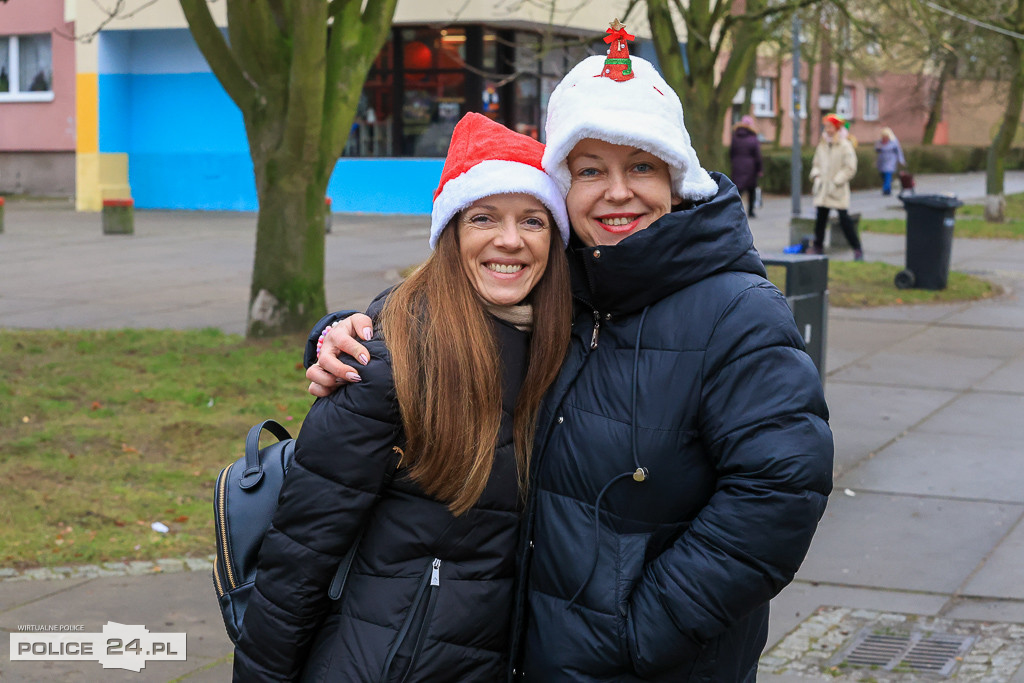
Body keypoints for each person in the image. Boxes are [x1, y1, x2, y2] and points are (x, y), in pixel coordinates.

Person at [311, 26, 833, 682]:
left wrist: (637, 634)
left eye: (640, 165)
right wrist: (343, 334)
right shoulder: (566, 288)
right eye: (591, 170)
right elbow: (444, 311)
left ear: (675, 177)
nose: (617, 192)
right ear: (565, 186)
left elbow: (779, 494)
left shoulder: (739, 312)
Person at [233, 112, 573, 681]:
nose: (509, 240)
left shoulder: (564, 346)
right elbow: (299, 556)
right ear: (452, 234)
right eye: (484, 217)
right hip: (390, 664)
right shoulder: (391, 361)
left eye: (533, 221)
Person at [810, 113, 863, 260]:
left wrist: (836, 181)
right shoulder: (822, 144)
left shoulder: (845, 145)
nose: (827, 129)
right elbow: (816, 163)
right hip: (823, 189)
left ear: (836, 128)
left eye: (830, 126)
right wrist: (816, 175)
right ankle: (817, 248)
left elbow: (850, 168)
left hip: (837, 190)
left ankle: (857, 249)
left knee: (845, 220)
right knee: (820, 220)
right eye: (826, 126)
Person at [729, 114, 763, 217]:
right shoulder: (753, 138)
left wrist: (734, 162)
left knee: (738, 190)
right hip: (750, 167)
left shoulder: (735, 137)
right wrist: (759, 169)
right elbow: (758, 156)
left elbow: (731, 152)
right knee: (751, 190)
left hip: (737, 166)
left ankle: (733, 210)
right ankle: (751, 211)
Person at [875, 126, 906, 196]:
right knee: (884, 175)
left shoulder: (894, 142)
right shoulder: (880, 142)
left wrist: (901, 160)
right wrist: (879, 148)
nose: (885, 138)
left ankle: (885, 189)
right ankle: (888, 188)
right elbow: (876, 149)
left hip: (890, 161)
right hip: (882, 161)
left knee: (888, 174)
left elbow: (899, 151)